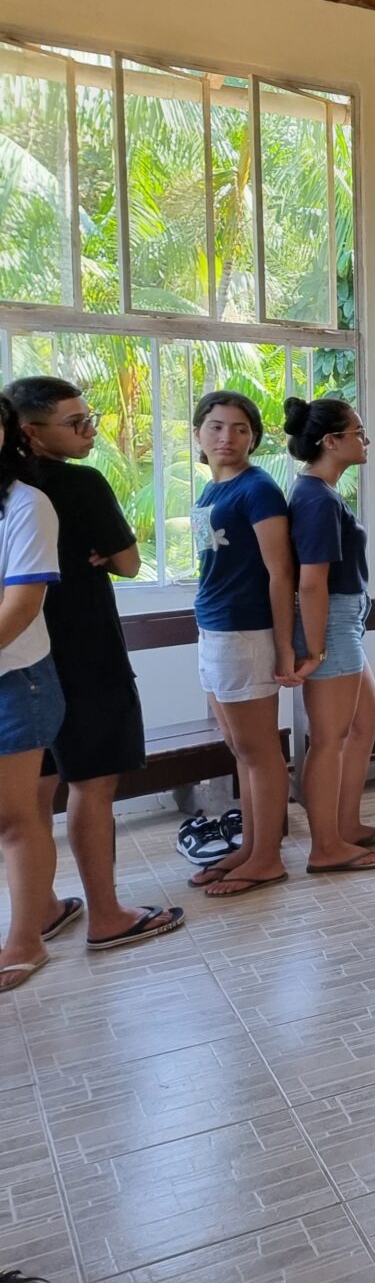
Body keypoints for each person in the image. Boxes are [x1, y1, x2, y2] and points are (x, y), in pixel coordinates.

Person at [7, 377, 181, 951]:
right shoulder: (79, 485)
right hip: (85, 652)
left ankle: (41, 910)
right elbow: (129, 563)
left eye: (91, 419)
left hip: (20, 663)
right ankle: (106, 914)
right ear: (30, 432)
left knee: (32, 793)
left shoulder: (11, 492)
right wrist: (106, 554)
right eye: (76, 423)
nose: (90, 432)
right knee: (93, 783)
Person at [190, 390, 302, 896]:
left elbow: (281, 573)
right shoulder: (212, 489)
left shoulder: (258, 490)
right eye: (216, 426)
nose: (227, 437)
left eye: (240, 429)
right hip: (213, 627)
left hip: (246, 631)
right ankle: (251, 847)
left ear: (254, 438)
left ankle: (267, 858)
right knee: (240, 748)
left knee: (260, 751)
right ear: (198, 433)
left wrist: (284, 645)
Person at [284, 396, 375, 875]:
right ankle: (325, 846)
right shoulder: (315, 498)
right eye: (358, 433)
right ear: (331, 441)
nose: (365, 440)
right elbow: (311, 582)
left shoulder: (321, 492)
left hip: (343, 619)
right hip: (331, 621)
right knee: (329, 738)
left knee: (368, 718)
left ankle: (346, 825)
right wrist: (314, 646)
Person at [0, 394, 67, 990]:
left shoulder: (25, 504)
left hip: (16, 680)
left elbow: (21, 606)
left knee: (14, 817)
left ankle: (26, 941)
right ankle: (37, 913)